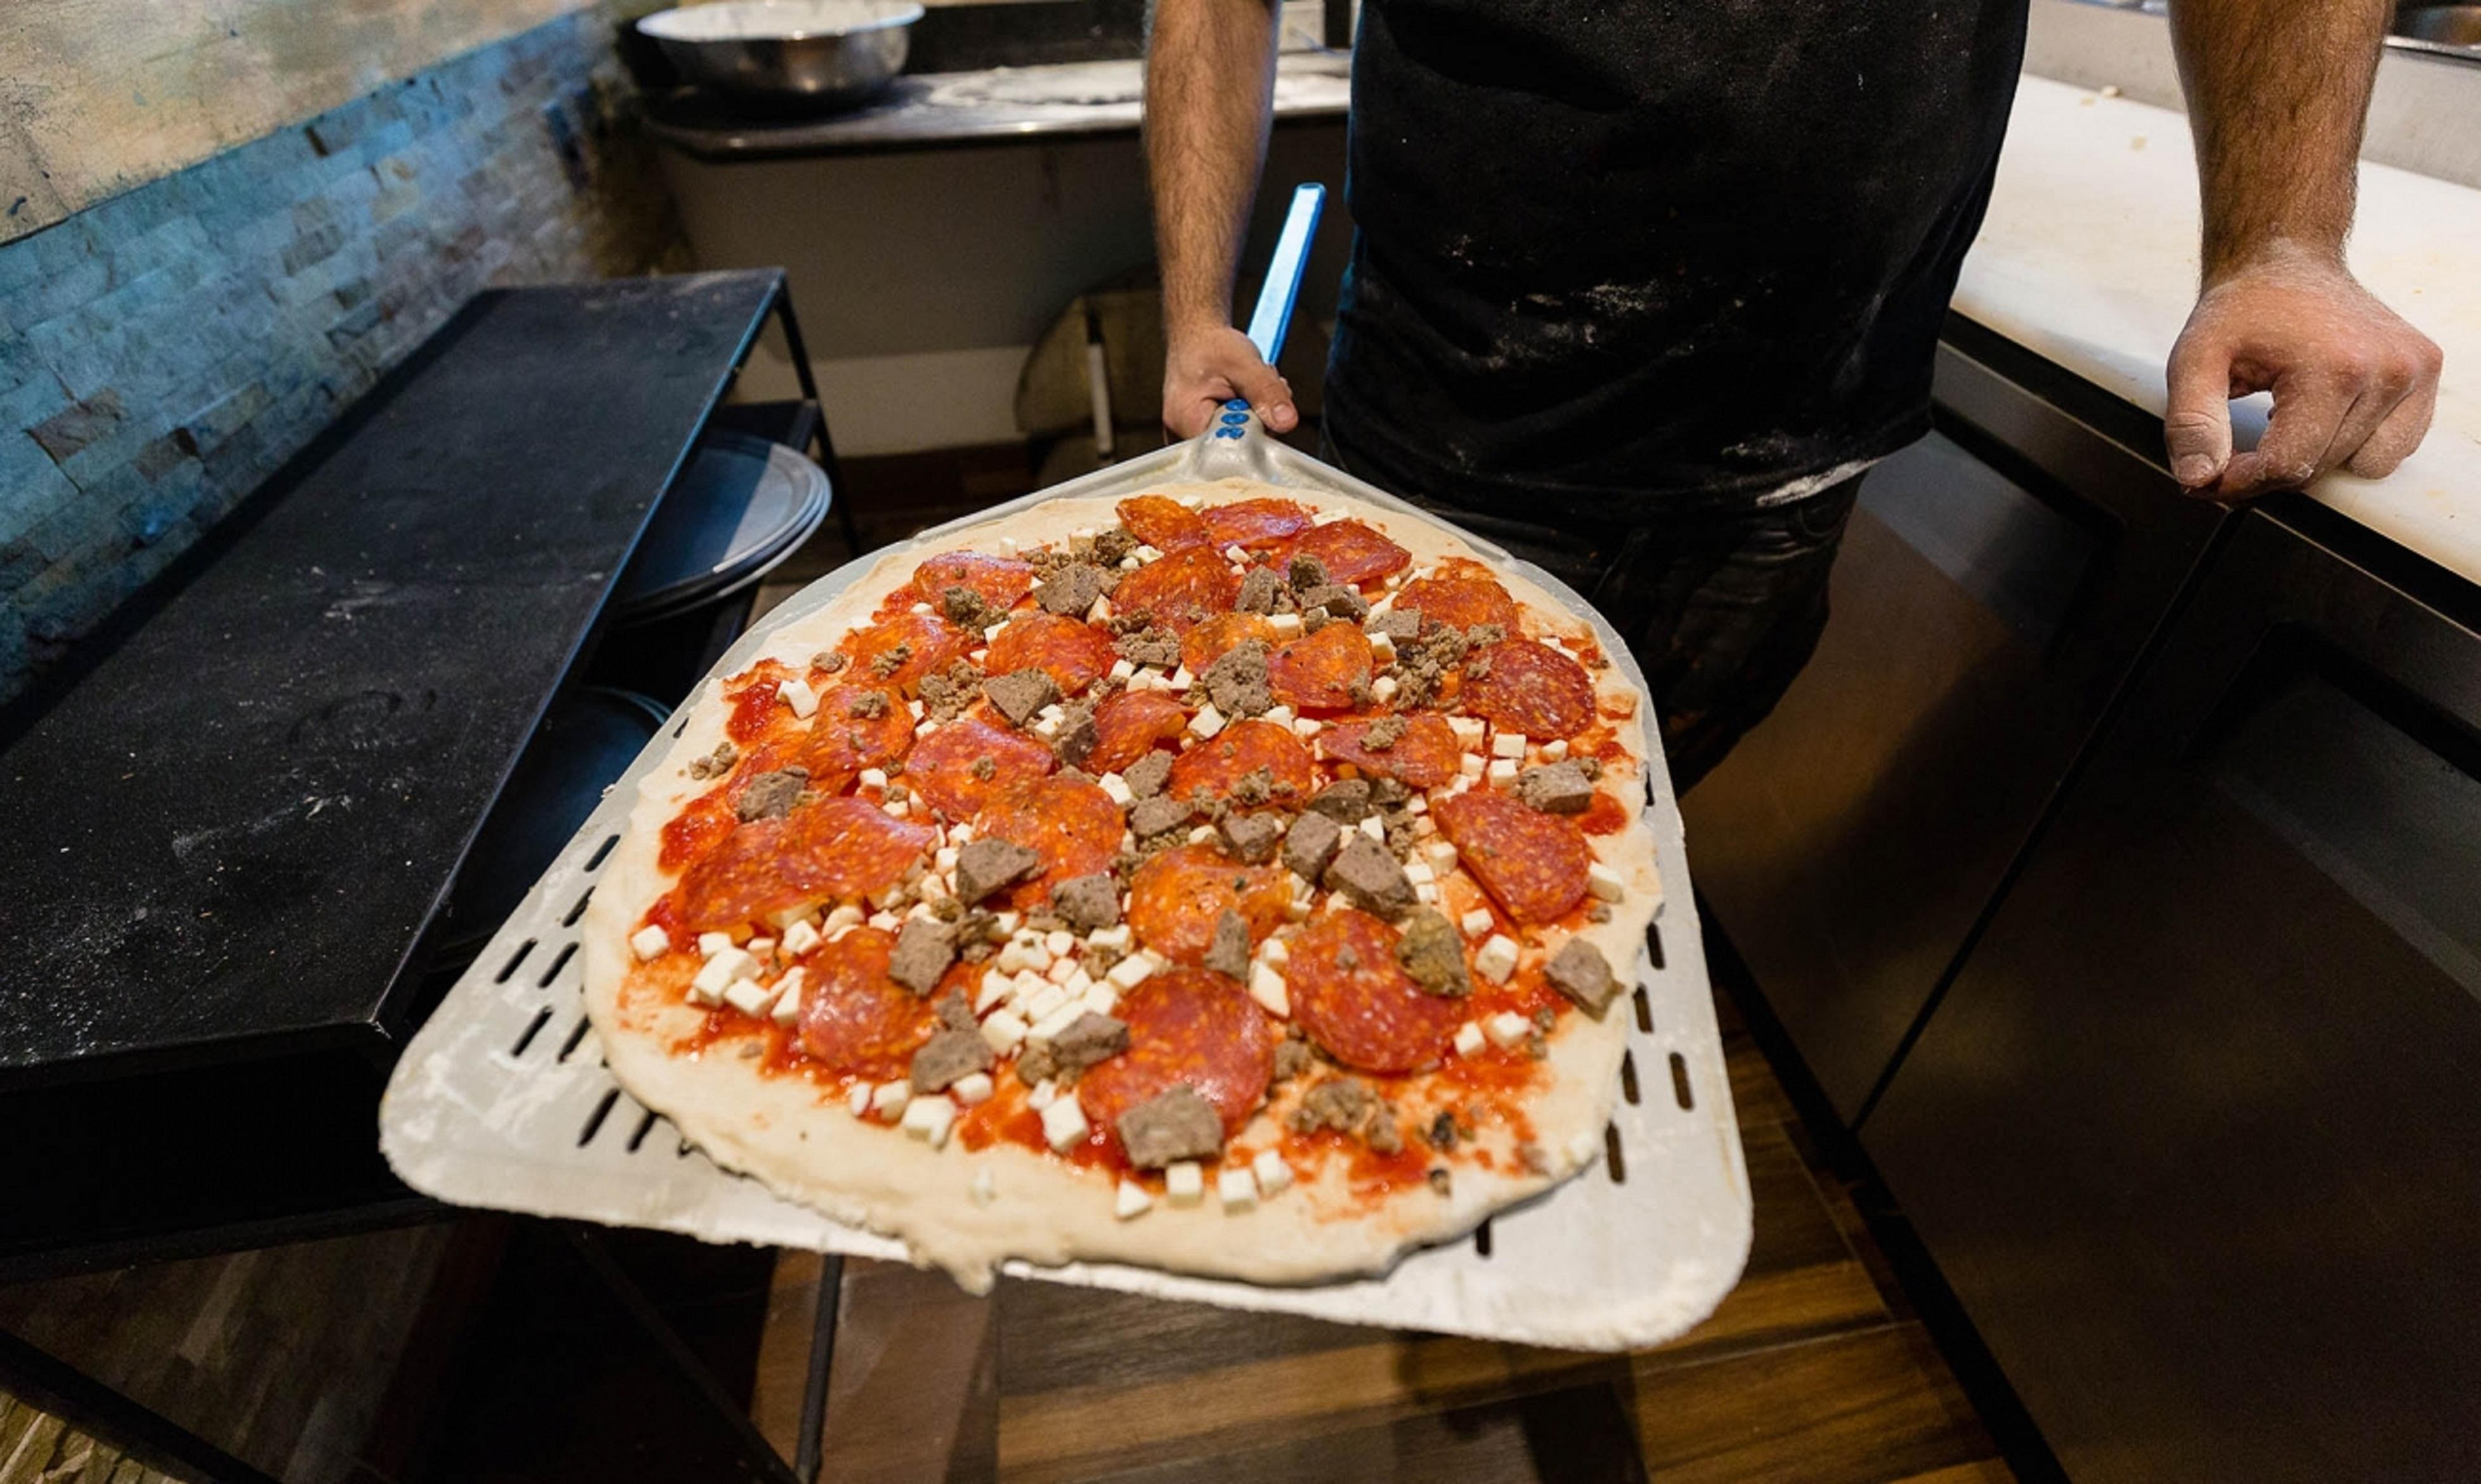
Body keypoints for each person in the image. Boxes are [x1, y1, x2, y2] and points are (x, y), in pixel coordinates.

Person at [1145, 0, 2444, 788]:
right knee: (1373, 842)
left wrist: (2283, 239)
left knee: (1620, 836)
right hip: (1439, 437)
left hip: (1791, 463)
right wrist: (1199, 304)